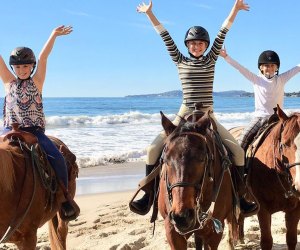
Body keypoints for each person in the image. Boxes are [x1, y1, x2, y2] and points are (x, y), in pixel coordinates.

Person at [131, 0, 257, 216]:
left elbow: (223, 31)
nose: (196, 46)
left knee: (237, 152)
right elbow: (165, 37)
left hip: (208, 115)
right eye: (192, 43)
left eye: (200, 43)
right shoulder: (179, 60)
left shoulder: (211, 60)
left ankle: (241, 196)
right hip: (184, 112)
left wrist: (234, 10)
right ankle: (148, 196)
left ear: (206, 46)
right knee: (152, 150)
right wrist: (150, 14)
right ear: (187, 46)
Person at [0, 25, 80, 221]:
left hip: (33, 132)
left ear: (32, 67)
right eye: (18, 67)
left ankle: (64, 197)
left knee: (56, 157)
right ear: (13, 68)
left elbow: (44, 57)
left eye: (26, 66)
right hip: (8, 129)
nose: (22, 70)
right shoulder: (8, 82)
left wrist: (53, 35)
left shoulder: (37, 82)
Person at [220, 48, 300, 149]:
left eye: (272, 65)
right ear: (261, 67)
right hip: (260, 118)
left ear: (276, 68)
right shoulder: (256, 79)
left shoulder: (281, 79)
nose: (269, 68)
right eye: (266, 65)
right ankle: (236, 164)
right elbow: (240, 68)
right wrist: (226, 57)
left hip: (278, 118)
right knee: (242, 139)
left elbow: (297, 68)